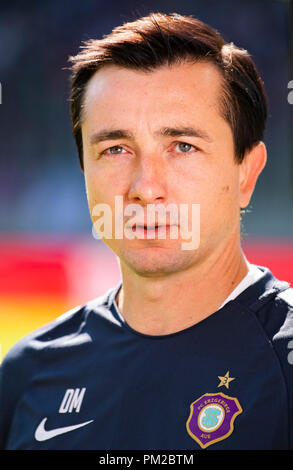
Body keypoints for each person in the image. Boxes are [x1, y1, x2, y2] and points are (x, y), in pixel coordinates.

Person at [0, 12, 292, 451]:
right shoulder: (27, 375)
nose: (145, 188)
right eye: (115, 149)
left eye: (182, 147)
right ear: (85, 169)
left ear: (247, 174)